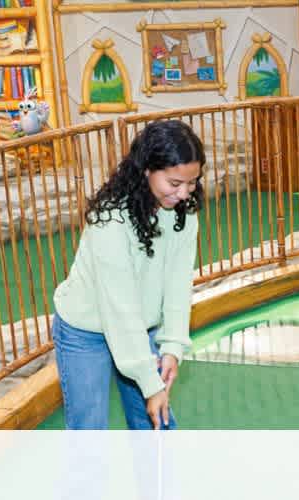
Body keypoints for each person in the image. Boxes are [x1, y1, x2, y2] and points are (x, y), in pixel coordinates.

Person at [51, 120, 204, 430]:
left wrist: (173, 346)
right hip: (86, 330)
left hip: (139, 328)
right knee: (89, 434)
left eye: (192, 182)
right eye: (174, 183)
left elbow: (178, 285)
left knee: (158, 426)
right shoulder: (109, 219)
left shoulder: (183, 212)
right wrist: (151, 383)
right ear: (147, 169)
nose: (184, 193)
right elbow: (119, 307)